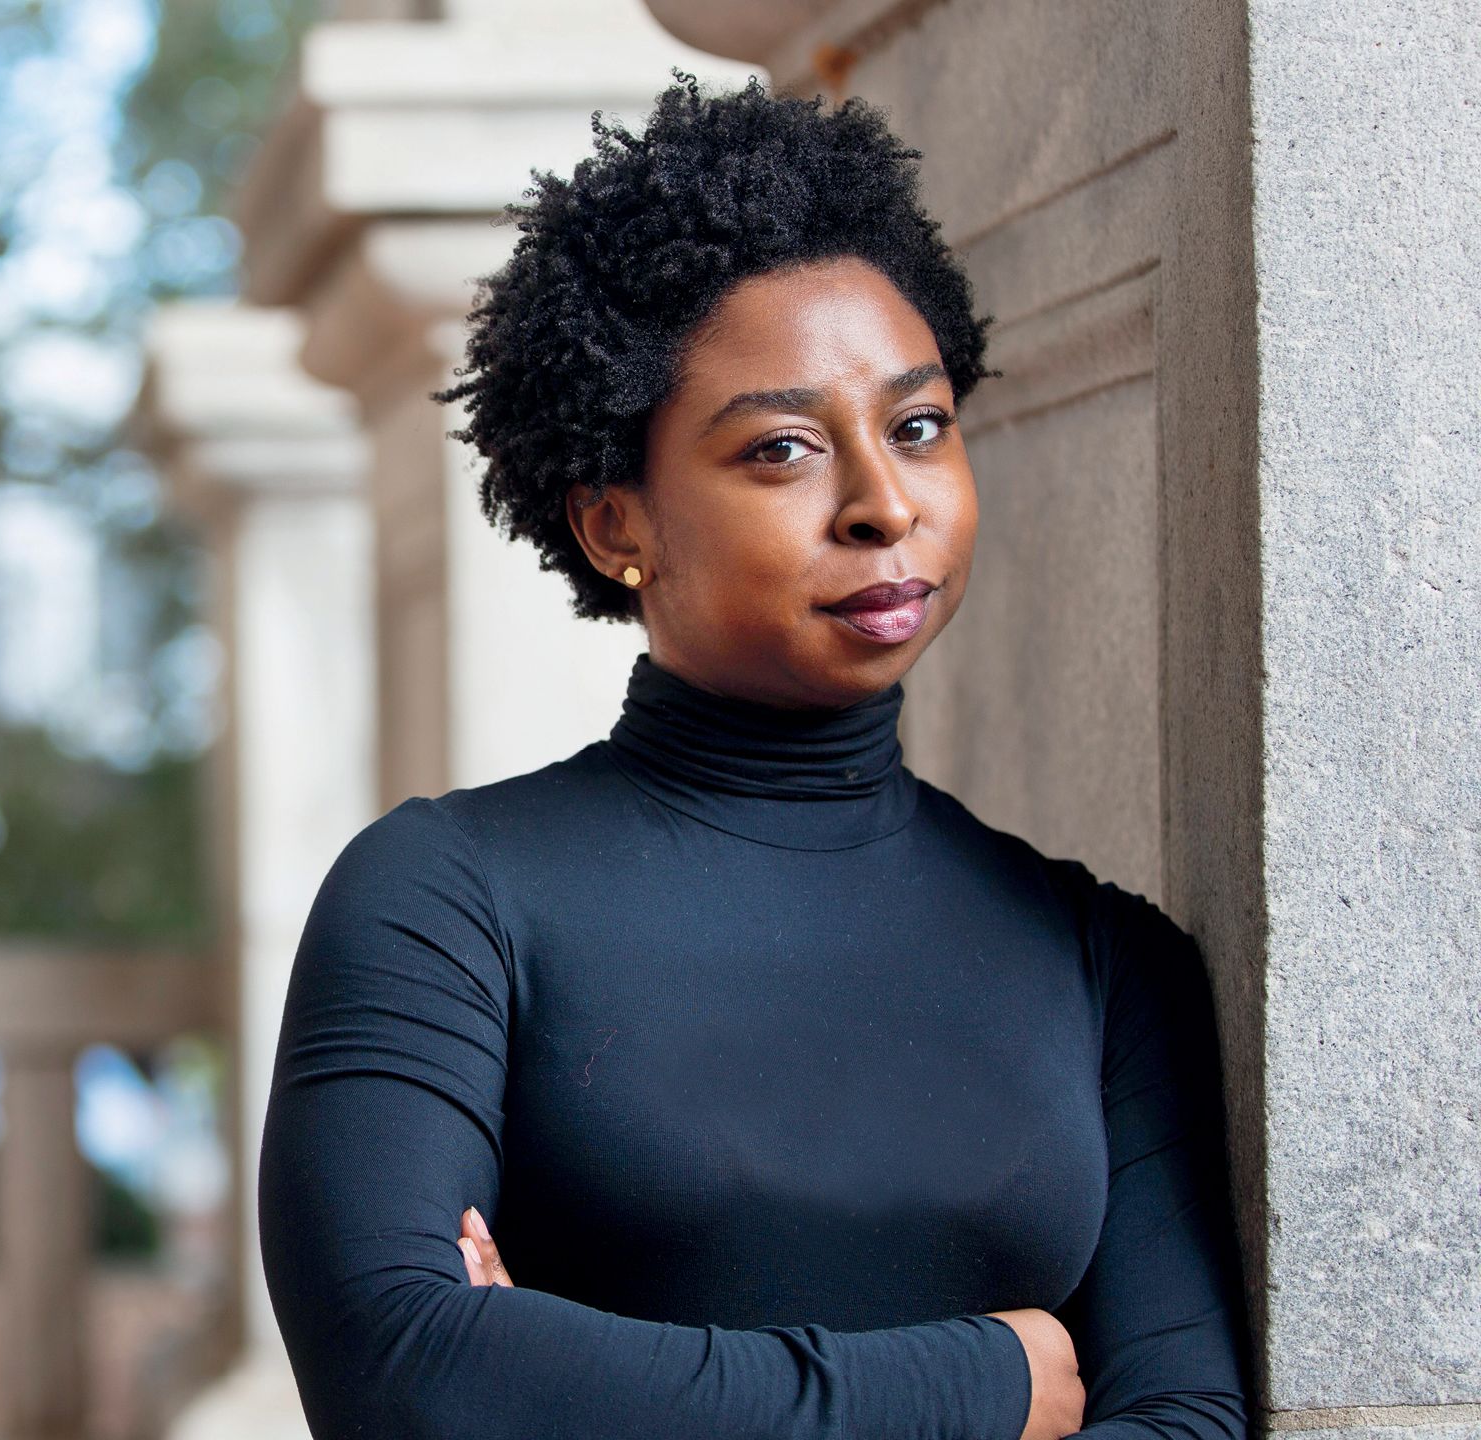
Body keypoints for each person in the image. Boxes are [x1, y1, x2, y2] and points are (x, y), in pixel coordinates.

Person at [253, 74, 1256, 1440]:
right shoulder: (442, 900)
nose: (884, 503)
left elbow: (1188, 1425)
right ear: (617, 521)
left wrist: (574, 1377)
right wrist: (992, 1379)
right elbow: (410, 1375)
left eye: (918, 426)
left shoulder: (1101, 961)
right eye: (783, 449)